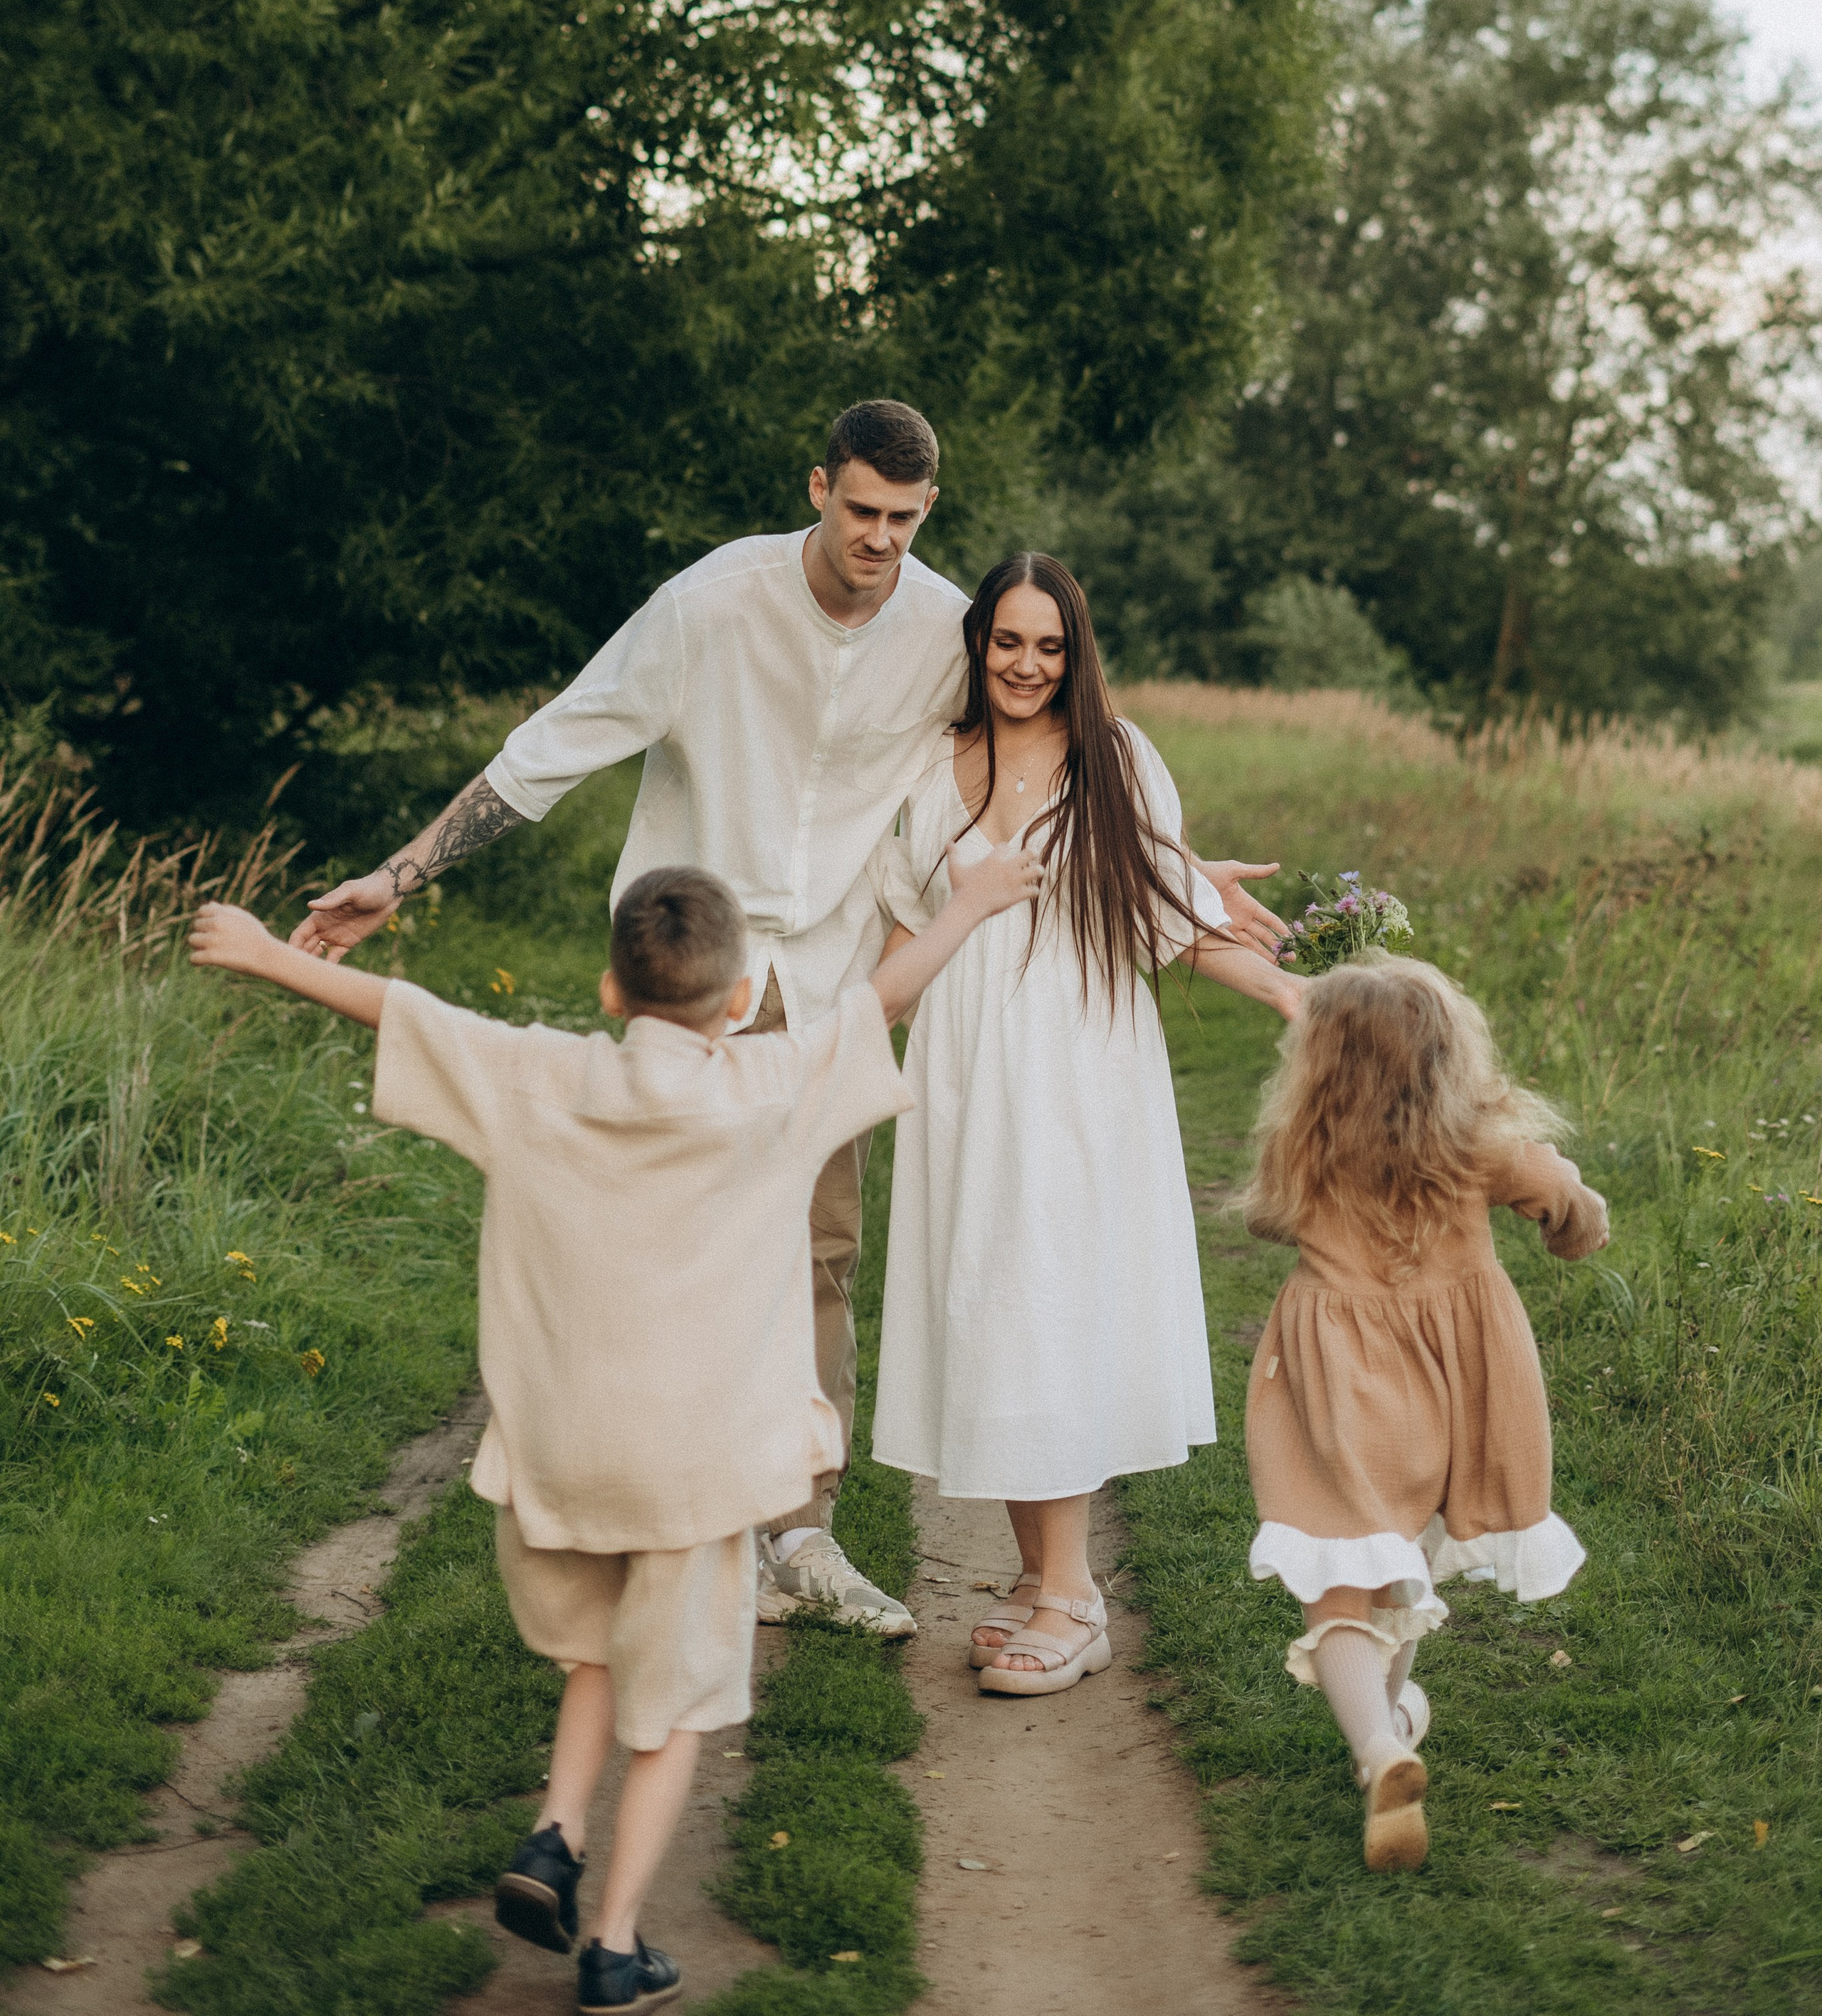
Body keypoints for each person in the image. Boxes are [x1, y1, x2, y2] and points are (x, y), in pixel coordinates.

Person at [291, 400, 1287, 1635]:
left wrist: (1177, 874)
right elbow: (554, 748)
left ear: (930, 514)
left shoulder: (943, 631)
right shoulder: (708, 606)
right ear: (819, 485)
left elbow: (1036, 769)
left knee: (821, 1258)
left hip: (836, 986)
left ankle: (798, 1538)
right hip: (697, 980)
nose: (878, 538)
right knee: (665, 1244)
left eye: (904, 520)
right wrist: (395, 876)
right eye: (860, 509)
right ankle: (648, 1505)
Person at [189, 839, 1041, 2012]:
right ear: (740, 1000)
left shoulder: (539, 1077)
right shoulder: (773, 1084)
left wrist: (259, 955)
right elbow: (879, 1000)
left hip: (563, 1459)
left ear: (607, 991)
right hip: (700, 1471)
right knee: (677, 1710)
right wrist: (979, 900)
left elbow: (402, 1010)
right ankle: (617, 1945)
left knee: (595, 1657)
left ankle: (551, 1837)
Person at [868, 553, 1302, 1698]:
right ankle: (1032, 1573)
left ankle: (1073, 1596)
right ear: (978, 645)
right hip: (962, 1062)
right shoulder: (926, 761)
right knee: (987, 1296)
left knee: (1044, 1297)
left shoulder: (1116, 757)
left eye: (1049, 646)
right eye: (1008, 642)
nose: (1026, 665)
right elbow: (891, 916)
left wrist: (1301, 999)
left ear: (1076, 654)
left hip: (1074, 1059)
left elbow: (1167, 907)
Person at [1240, 955, 1608, 1871]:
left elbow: (1269, 1220)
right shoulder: (1482, 1149)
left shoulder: (1308, 1146)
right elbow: (1569, 1209)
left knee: (1344, 1565)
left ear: (1318, 1064)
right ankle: (1394, 1725)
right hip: (1455, 1383)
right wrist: (1573, 1222)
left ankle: (1381, 1749)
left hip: (1340, 1381)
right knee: (1397, 1560)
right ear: (1452, 1058)